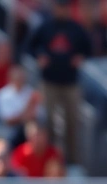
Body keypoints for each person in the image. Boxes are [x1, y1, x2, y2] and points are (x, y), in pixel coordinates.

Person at [24, 0, 91, 164]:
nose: (62, 11)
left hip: (70, 82)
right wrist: (39, 56)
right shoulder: (45, 26)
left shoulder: (76, 28)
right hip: (49, 82)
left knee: (72, 123)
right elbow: (29, 46)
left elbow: (88, 48)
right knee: (48, 122)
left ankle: (72, 161)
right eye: (59, 7)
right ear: (55, 9)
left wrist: (81, 57)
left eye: (64, 8)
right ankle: (51, 160)